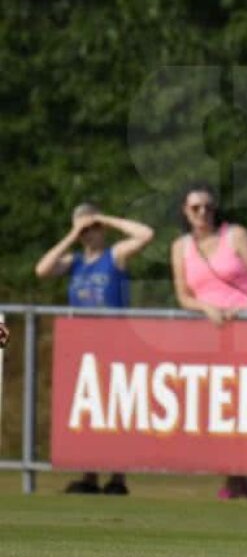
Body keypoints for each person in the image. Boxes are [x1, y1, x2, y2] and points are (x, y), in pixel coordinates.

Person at [35, 203, 155, 495]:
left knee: (117, 407)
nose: (89, 234)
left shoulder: (114, 257)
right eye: (84, 231)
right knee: (88, 408)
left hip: (116, 342)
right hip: (83, 346)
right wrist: (72, 232)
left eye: (92, 229)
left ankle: (118, 476)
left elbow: (146, 234)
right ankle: (88, 474)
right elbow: (42, 270)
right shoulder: (75, 262)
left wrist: (104, 218)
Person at [169, 182, 247, 499]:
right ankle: (230, 475)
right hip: (205, 335)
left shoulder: (235, 236)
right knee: (213, 406)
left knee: (244, 404)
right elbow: (184, 295)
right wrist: (205, 307)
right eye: (195, 208)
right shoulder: (180, 246)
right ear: (185, 212)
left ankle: (246, 475)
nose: (202, 213)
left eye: (207, 207)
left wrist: (245, 312)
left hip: (243, 331)